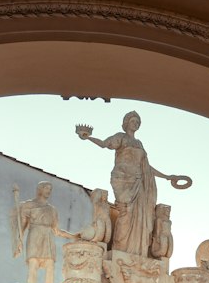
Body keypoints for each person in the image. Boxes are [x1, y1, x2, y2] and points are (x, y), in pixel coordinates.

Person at [75, 111, 191, 259]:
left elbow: (147, 168)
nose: (135, 123)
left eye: (137, 121)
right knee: (126, 213)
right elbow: (105, 144)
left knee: (141, 218)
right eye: (132, 121)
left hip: (139, 182)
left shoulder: (139, 144)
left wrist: (168, 177)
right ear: (125, 123)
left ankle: (137, 252)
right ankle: (121, 248)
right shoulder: (121, 137)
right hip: (123, 180)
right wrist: (88, 137)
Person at [11, 180, 72, 283]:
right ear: (40, 189)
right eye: (46, 188)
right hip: (35, 234)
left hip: (48, 236)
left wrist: (73, 236)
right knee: (33, 262)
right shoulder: (29, 205)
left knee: (50, 264)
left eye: (50, 189)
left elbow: (56, 230)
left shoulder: (52, 210)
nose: (49, 191)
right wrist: (19, 240)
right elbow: (23, 225)